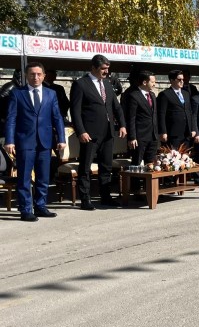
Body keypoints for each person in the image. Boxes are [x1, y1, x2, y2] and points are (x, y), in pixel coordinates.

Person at [4, 61, 66, 221]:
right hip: (25, 141)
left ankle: (40, 206)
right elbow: (11, 118)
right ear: (26, 76)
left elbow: (57, 117)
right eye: (32, 74)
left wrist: (61, 138)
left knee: (43, 176)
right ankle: (25, 209)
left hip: (45, 142)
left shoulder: (50, 94)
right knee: (24, 177)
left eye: (39, 74)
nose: (35, 77)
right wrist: (9, 140)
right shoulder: (17, 93)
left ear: (44, 76)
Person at [70, 54, 127, 210]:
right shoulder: (81, 84)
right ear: (93, 68)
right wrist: (81, 131)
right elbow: (75, 111)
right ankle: (85, 199)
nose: (106, 72)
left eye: (107, 69)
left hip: (108, 133)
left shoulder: (107, 84)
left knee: (106, 166)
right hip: (90, 134)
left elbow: (116, 106)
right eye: (103, 69)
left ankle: (106, 196)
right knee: (86, 167)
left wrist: (122, 124)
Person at [123, 69, 160, 171]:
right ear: (144, 82)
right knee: (137, 163)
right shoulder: (134, 96)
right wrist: (132, 137)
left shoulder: (152, 95)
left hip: (152, 136)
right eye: (152, 82)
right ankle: (135, 185)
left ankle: (148, 185)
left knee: (151, 164)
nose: (154, 84)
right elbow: (131, 118)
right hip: (140, 136)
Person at [157, 69, 197, 150]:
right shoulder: (165, 94)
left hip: (186, 132)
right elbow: (161, 114)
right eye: (179, 79)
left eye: (183, 79)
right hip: (173, 132)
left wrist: (193, 128)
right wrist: (163, 131)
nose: (182, 81)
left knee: (185, 157)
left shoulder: (186, 94)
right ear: (172, 80)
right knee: (174, 157)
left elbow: (190, 112)